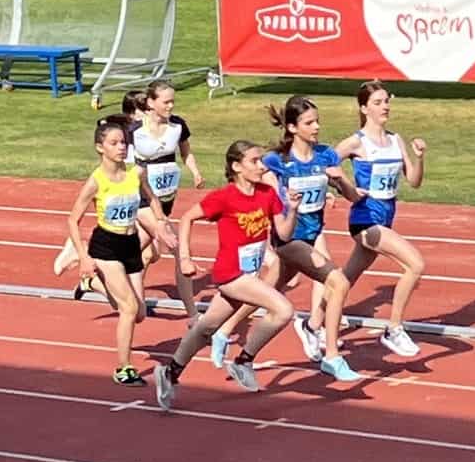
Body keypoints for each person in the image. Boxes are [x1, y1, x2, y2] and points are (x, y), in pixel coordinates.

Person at [210, 96, 361, 383]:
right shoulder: (277, 162)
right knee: (338, 281)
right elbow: (248, 187)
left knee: (267, 290)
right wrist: (275, 192)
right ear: (292, 127)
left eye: (317, 121)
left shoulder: (326, 156)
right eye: (309, 122)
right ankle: (331, 355)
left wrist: (340, 181)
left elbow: (353, 198)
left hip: (313, 233)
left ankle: (228, 337)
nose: (316, 127)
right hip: (288, 239)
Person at [153, 140, 302, 410]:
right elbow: (187, 218)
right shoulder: (224, 197)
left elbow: (284, 233)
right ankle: (244, 361)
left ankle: (170, 371)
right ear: (236, 167)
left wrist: (292, 209)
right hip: (231, 273)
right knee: (283, 309)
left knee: (205, 328)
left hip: (250, 273)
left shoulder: (267, 194)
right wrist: (185, 258)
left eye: (261, 160)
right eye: (254, 161)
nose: (261, 166)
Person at [332, 81, 429, 357]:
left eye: (386, 101)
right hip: (364, 218)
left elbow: (414, 181)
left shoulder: (396, 140)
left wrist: (420, 157)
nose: (385, 106)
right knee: (415, 265)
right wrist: (344, 187)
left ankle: (315, 323)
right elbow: (325, 164)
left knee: (347, 277)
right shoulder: (356, 142)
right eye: (377, 102)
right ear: (364, 108)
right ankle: (394, 329)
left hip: (385, 219)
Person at [66, 119, 166, 385]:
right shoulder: (96, 181)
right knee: (129, 308)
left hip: (130, 244)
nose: (121, 147)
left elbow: (153, 199)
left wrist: (162, 223)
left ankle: (91, 284)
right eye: (114, 143)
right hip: (106, 246)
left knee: (140, 314)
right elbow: (72, 220)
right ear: (100, 148)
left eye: (123, 142)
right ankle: (123, 368)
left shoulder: (136, 174)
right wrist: (84, 257)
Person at [130, 80, 204, 318]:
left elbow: (186, 151)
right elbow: (128, 168)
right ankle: (193, 316)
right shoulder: (134, 131)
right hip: (142, 198)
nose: (171, 106)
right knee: (176, 247)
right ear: (151, 103)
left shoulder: (178, 126)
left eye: (173, 101)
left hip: (166, 196)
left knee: (138, 250)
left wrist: (194, 171)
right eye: (166, 102)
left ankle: (98, 274)